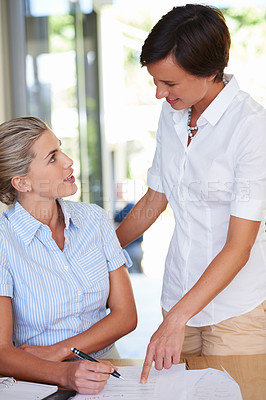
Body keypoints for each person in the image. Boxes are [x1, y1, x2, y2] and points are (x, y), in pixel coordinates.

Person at [116, 4, 266, 384]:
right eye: (156, 81)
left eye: (170, 83)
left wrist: (177, 319)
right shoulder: (173, 113)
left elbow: (239, 246)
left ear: (211, 73)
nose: (158, 94)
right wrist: (98, 250)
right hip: (178, 294)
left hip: (237, 312)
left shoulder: (252, 128)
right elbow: (155, 199)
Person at [0, 116, 137, 394]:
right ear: (23, 183)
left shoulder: (95, 220)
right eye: (52, 158)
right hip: (36, 378)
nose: (68, 161)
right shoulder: (4, 241)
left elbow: (126, 315)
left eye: (60, 149)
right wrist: (64, 372)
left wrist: (59, 350)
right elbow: (2, 352)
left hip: (105, 367)